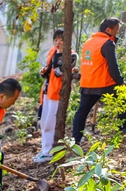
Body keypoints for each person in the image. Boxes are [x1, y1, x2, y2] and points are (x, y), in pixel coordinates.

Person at [73, 17, 126, 143]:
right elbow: (113, 67)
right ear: (108, 30)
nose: (117, 32)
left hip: (87, 84)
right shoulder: (107, 43)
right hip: (103, 84)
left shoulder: (88, 42)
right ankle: (122, 129)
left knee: (82, 112)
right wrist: (121, 82)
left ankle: (75, 139)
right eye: (116, 30)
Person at [35, 29, 79, 163]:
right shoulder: (52, 52)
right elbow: (49, 71)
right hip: (47, 91)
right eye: (56, 40)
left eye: (61, 40)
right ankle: (44, 149)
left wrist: (60, 56)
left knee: (50, 123)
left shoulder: (71, 55)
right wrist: (43, 71)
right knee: (44, 123)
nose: (58, 43)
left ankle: (48, 152)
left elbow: (60, 72)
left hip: (57, 93)